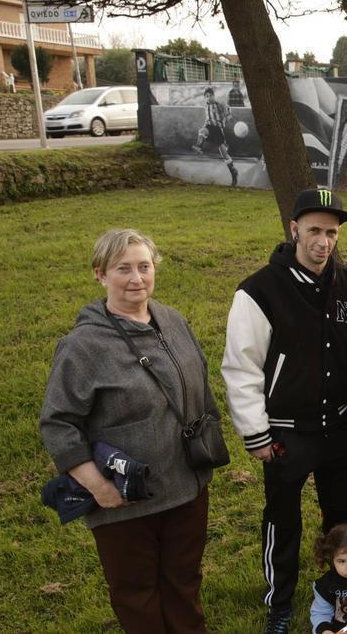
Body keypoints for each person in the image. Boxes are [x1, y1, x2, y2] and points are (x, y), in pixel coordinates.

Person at [40, 229, 220, 633]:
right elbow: (58, 423)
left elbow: (200, 384)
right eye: (124, 269)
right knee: (136, 593)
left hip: (186, 486)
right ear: (100, 275)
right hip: (124, 499)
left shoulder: (171, 320)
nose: (137, 277)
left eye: (144, 266)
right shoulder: (83, 345)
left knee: (184, 582)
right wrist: (98, 486)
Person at [222, 188, 347, 634]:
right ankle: (278, 603)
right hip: (286, 432)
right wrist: (255, 431)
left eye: (332, 232)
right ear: (294, 229)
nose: (323, 241)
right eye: (314, 231)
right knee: (282, 520)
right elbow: (241, 366)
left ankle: (342, 596)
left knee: (341, 517)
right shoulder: (258, 291)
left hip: (339, 427)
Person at [191, 86, 239, 186]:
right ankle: (198, 146)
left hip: (218, 130)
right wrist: (204, 127)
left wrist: (228, 115)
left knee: (224, 154)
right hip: (209, 128)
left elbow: (228, 113)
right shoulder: (206, 106)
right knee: (202, 130)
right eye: (207, 96)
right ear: (205, 97)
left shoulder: (219, 104)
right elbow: (207, 119)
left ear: (214, 96)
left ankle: (234, 173)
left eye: (210, 95)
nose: (209, 98)